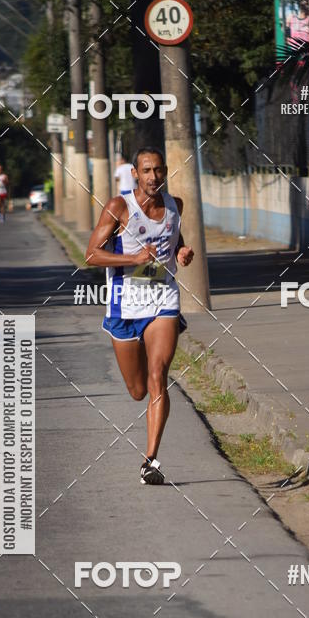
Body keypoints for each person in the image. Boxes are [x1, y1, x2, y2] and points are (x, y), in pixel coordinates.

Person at [85, 147, 194, 485]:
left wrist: (182, 251)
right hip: (124, 306)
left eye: (159, 170)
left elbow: (174, 238)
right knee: (137, 389)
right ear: (135, 173)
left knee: (158, 375)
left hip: (163, 300)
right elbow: (92, 254)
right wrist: (132, 259)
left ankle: (151, 460)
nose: (153, 177)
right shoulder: (120, 207)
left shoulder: (175, 205)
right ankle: (145, 375)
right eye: (147, 171)